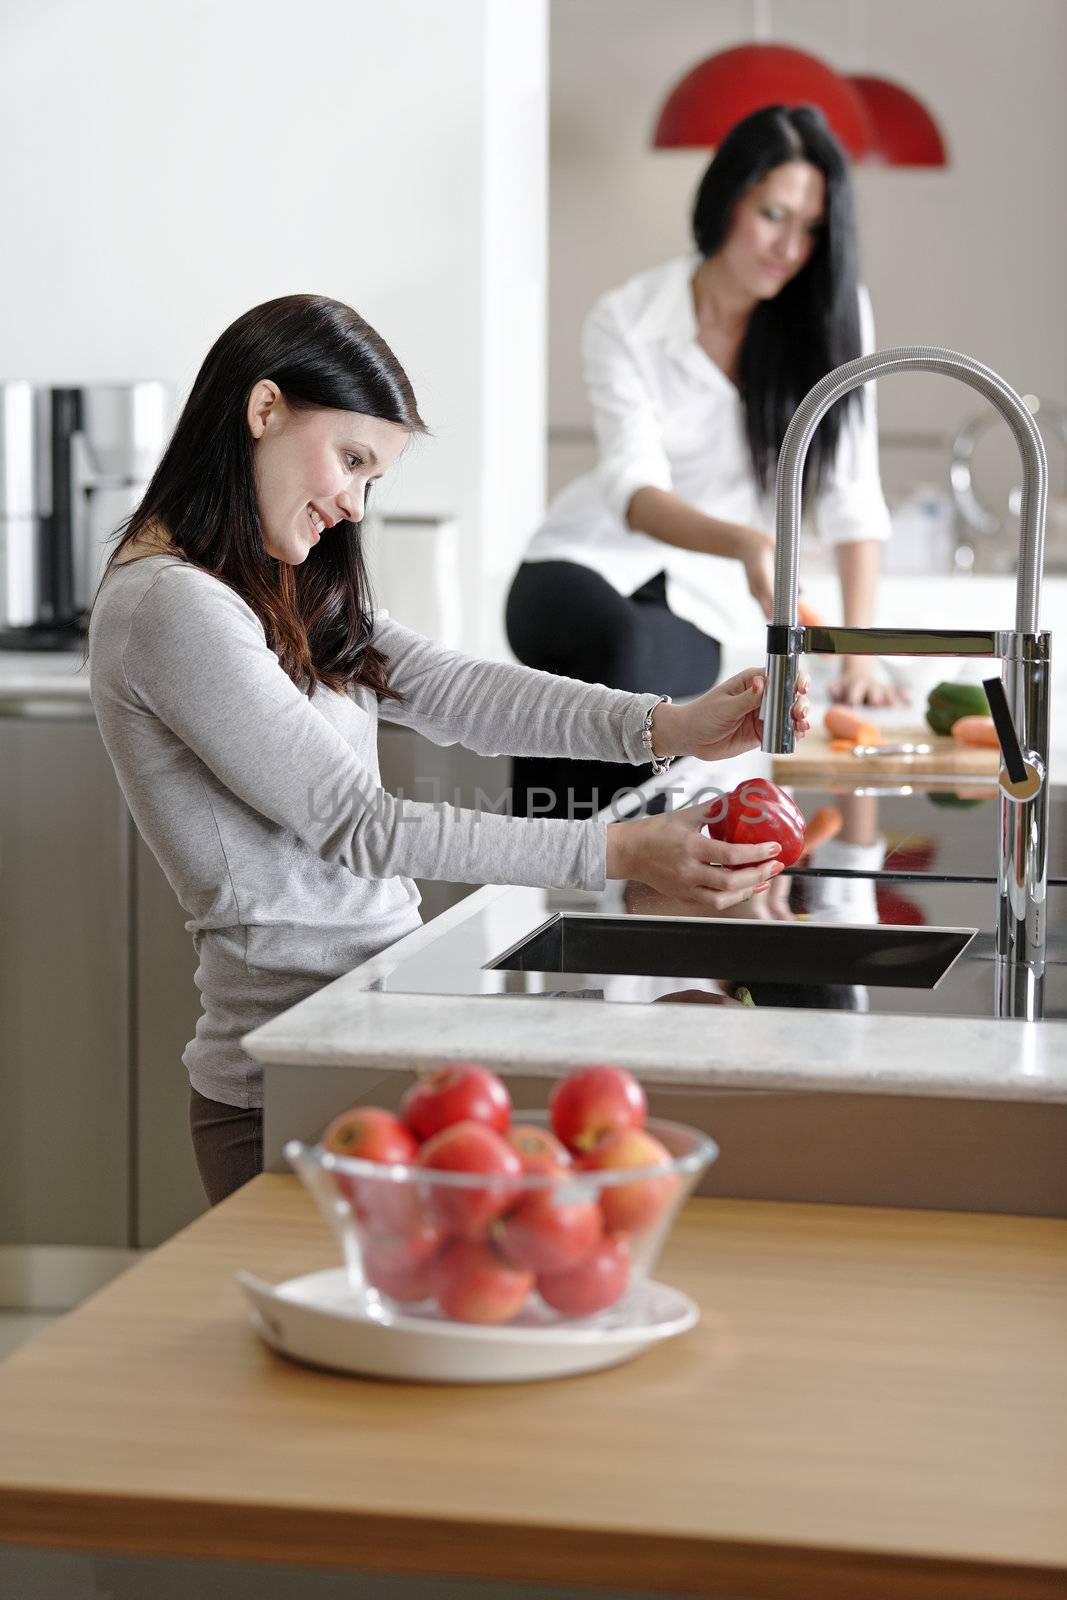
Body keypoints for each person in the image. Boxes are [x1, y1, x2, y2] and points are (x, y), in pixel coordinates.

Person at [86, 294, 811, 1205]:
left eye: (370, 479)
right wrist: (618, 851)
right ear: (262, 409)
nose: (351, 505)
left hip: (378, 1022)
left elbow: (453, 688)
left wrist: (666, 725)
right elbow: (357, 824)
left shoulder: (277, 582)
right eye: (349, 461)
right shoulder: (171, 608)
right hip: (290, 1081)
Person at [506, 103, 897, 822]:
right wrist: (747, 544)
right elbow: (632, 487)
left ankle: (578, 872)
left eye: (810, 228)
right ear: (726, 200)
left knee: (622, 683)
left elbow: (852, 493)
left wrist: (860, 656)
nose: (790, 247)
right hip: (584, 558)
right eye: (772, 215)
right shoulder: (627, 317)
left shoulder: (834, 318)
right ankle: (560, 876)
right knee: (591, 653)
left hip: (707, 605)